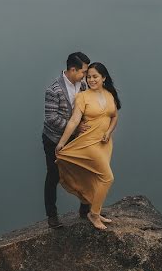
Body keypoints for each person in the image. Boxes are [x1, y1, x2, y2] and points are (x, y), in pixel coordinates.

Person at [55, 62, 121, 230]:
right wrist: (62, 142)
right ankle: (94, 214)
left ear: (103, 78)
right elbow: (74, 120)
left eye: (95, 77)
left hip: (104, 143)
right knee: (107, 177)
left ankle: (93, 209)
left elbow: (114, 116)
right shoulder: (83, 96)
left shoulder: (109, 94)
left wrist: (109, 132)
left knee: (98, 178)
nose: (91, 80)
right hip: (88, 142)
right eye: (89, 76)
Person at [42, 52, 91, 228]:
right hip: (54, 139)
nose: (85, 76)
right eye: (83, 72)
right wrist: (75, 127)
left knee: (85, 171)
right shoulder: (53, 90)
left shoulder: (83, 86)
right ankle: (52, 216)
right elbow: (51, 118)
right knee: (53, 175)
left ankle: (85, 209)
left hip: (76, 140)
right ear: (72, 69)